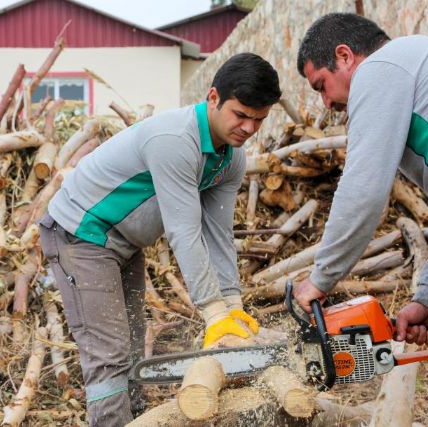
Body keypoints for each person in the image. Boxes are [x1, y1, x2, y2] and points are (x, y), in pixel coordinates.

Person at [292, 12, 428, 425]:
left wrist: (319, 281)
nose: (327, 103)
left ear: (345, 56)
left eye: (321, 86)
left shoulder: (381, 68)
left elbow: (364, 189)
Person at [38, 52, 282, 426]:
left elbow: (217, 233)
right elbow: (184, 231)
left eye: (259, 120)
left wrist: (232, 306)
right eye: (241, 115)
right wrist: (212, 313)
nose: (248, 128)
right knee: (109, 355)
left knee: (133, 350)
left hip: (123, 243)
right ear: (213, 98)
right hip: (80, 235)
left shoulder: (230, 158)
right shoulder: (175, 139)